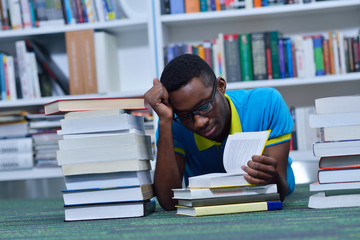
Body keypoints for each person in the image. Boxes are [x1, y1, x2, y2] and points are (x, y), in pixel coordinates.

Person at [144, 54, 295, 211]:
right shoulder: (172, 124)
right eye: (185, 115)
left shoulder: (267, 103)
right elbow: (169, 203)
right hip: (207, 207)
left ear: (221, 86)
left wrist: (273, 179)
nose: (200, 122)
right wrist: (164, 120)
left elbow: (280, 192)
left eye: (204, 107)